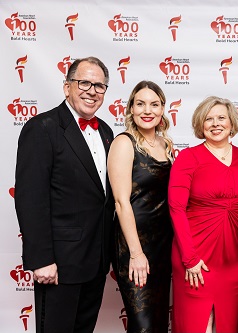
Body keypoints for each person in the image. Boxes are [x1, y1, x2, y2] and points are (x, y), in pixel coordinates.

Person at [14, 57, 115, 333]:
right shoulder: (42, 128)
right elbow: (30, 199)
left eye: (99, 86)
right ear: (66, 87)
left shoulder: (106, 131)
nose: (92, 91)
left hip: (95, 262)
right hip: (58, 264)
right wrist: (41, 259)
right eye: (84, 82)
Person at [167, 96, 238, 333]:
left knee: (227, 323)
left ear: (231, 122)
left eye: (221, 118)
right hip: (196, 254)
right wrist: (190, 258)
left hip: (235, 257)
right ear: (200, 124)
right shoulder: (188, 157)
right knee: (198, 325)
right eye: (208, 119)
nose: (215, 124)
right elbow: (176, 208)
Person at [108, 81, 174, 332]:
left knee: (157, 322)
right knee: (142, 325)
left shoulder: (165, 144)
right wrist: (136, 253)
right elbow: (121, 202)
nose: (147, 110)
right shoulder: (124, 143)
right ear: (131, 109)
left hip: (163, 244)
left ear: (162, 110)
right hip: (134, 244)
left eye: (154, 104)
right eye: (141, 104)